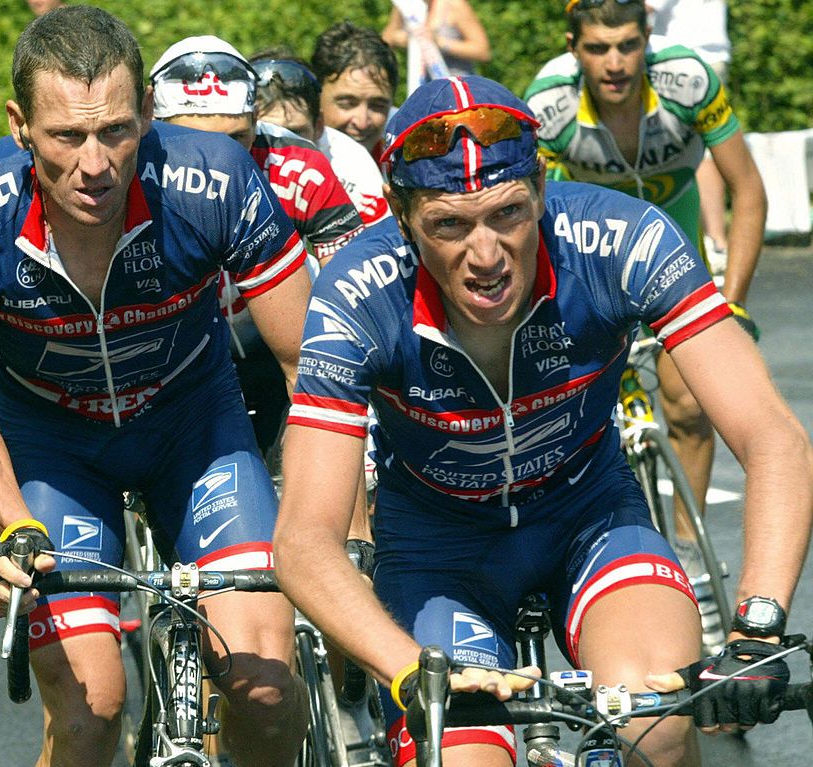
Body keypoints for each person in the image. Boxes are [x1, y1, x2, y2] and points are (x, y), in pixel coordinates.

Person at [273, 74, 813, 767]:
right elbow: (302, 541)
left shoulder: (619, 239)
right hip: (440, 548)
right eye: (449, 224)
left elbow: (772, 435)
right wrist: (410, 669)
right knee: (457, 756)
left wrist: (758, 631)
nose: (487, 253)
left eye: (509, 214)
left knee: (660, 726)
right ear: (403, 220)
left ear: (542, 194)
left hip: (587, 514)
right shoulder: (357, 291)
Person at [0, 8, 309, 767]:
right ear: (20, 125)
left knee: (264, 690)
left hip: (197, 430)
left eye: (117, 131)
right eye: (66, 137)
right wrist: (13, 526)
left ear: (149, 114)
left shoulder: (213, 179)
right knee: (92, 712)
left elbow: (309, 365)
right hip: (56, 450)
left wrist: (328, 517)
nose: (95, 164)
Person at [524, 0, 767, 650]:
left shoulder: (688, 81)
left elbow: (748, 191)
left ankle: (688, 550)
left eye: (628, 45)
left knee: (690, 404)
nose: (615, 63)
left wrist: (731, 305)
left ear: (647, 40)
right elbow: (533, 227)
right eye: (598, 48)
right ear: (573, 47)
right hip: (594, 255)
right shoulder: (545, 106)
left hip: (674, 236)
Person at [149, 35, 364, 456]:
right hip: (176, 357)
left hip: (276, 351)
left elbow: (356, 295)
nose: (223, 159)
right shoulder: (130, 168)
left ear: (255, 120)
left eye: (238, 137)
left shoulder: (299, 164)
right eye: (198, 141)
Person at [251, 50, 392, 227]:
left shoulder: (350, 160)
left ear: (318, 127)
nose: (281, 147)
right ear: (245, 129)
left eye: (295, 132)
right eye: (266, 132)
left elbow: (378, 245)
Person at [647, 0, 732, 271]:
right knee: (708, 146)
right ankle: (716, 240)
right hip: (708, 52)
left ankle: (714, 240)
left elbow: (642, 7)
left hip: (685, 61)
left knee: (694, 149)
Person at [311, 22, 399, 161]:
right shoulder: (278, 157)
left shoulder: (401, 157)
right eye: (347, 103)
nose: (362, 122)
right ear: (314, 99)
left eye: (378, 106)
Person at [382, 0, 492, 84]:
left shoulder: (453, 4)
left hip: (458, 88)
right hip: (424, 91)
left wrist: (440, 43)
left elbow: (483, 52)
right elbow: (384, 44)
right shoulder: (406, 6)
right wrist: (402, 39)